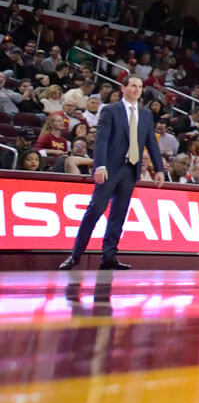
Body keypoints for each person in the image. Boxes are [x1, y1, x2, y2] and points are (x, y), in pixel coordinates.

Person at [59, 73, 162, 270]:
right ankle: (75, 255)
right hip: (110, 168)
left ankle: (109, 257)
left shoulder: (146, 114)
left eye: (139, 86)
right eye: (132, 85)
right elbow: (102, 140)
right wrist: (100, 165)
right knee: (95, 210)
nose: (136, 89)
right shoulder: (110, 110)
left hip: (130, 169)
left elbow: (151, 143)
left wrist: (158, 168)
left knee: (119, 214)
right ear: (123, 88)